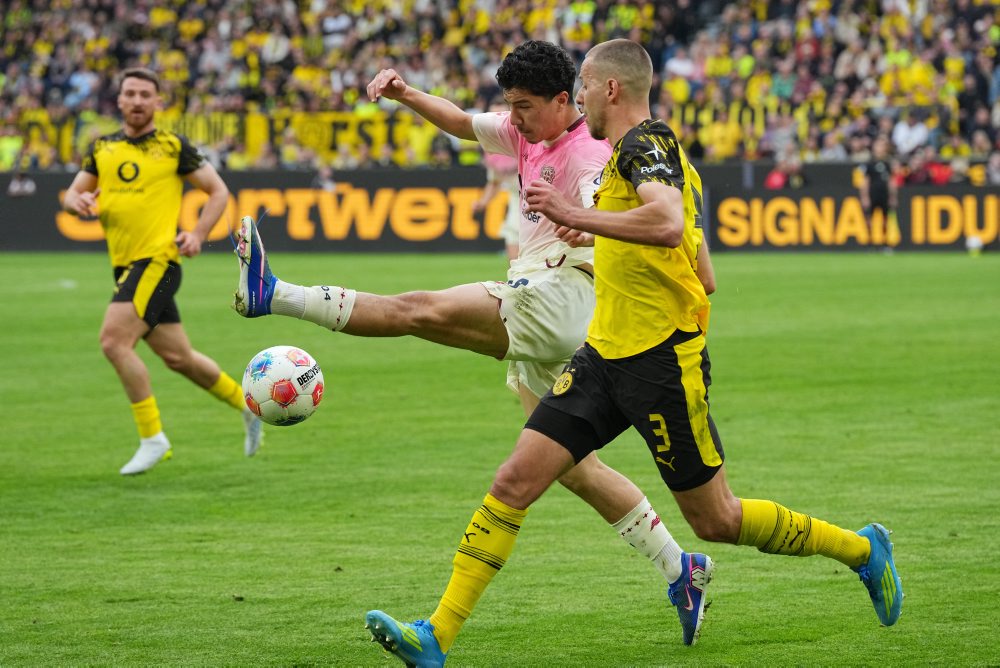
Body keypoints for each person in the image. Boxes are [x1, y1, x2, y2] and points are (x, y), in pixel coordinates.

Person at [363, 39, 904, 667]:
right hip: (603, 355)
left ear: (610, 88)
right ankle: (435, 636)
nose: (579, 98)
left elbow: (668, 224)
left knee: (717, 520)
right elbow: (704, 273)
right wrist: (605, 235)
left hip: (661, 363)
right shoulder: (649, 158)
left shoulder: (645, 145)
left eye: (585, 87)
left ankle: (862, 550)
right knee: (515, 480)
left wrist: (579, 217)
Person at [233, 40, 702, 638]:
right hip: (554, 305)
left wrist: (584, 226)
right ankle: (681, 568)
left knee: (418, 310)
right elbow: (459, 122)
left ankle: (274, 294)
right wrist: (406, 95)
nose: (515, 118)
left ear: (564, 100)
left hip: (562, 298)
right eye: (511, 105)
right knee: (575, 469)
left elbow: (619, 211)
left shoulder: (592, 152)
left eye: (525, 106)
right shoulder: (526, 133)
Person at [61, 68, 263, 475]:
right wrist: (75, 202)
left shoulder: (173, 146)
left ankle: (152, 438)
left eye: (145, 94)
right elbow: (72, 193)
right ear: (119, 100)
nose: (137, 100)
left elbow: (218, 191)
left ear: (158, 102)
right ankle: (248, 404)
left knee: (113, 342)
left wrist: (198, 234)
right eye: (130, 93)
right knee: (179, 358)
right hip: (126, 267)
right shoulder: (102, 148)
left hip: (157, 262)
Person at [473, 103, 520, 262]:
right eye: (492, 117)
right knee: (512, 239)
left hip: (540, 202)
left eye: (500, 115)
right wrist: (483, 203)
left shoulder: (529, 138)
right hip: (516, 200)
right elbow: (494, 181)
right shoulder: (492, 149)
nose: (495, 122)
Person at [858, 136, 900, 250]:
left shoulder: (888, 164)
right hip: (873, 194)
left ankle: (885, 243)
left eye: (882, 146)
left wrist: (893, 196)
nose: (880, 149)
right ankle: (870, 243)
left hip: (884, 195)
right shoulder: (869, 164)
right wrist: (865, 197)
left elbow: (891, 181)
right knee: (869, 220)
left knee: (885, 220)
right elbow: (865, 182)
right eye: (878, 146)